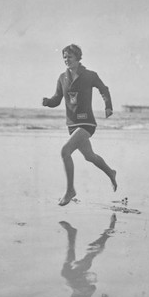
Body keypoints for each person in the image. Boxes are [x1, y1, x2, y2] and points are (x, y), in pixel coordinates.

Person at [42, 44, 117, 206]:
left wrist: (108, 106)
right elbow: (57, 99)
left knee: (65, 151)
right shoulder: (62, 78)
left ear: (77, 57)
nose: (66, 60)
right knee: (90, 156)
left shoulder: (89, 75)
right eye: (64, 57)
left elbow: (103, 89)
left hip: (87, 122)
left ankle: (70, 190)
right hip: (72, 124)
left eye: (69, 57)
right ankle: (111, 172)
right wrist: (48, 102)